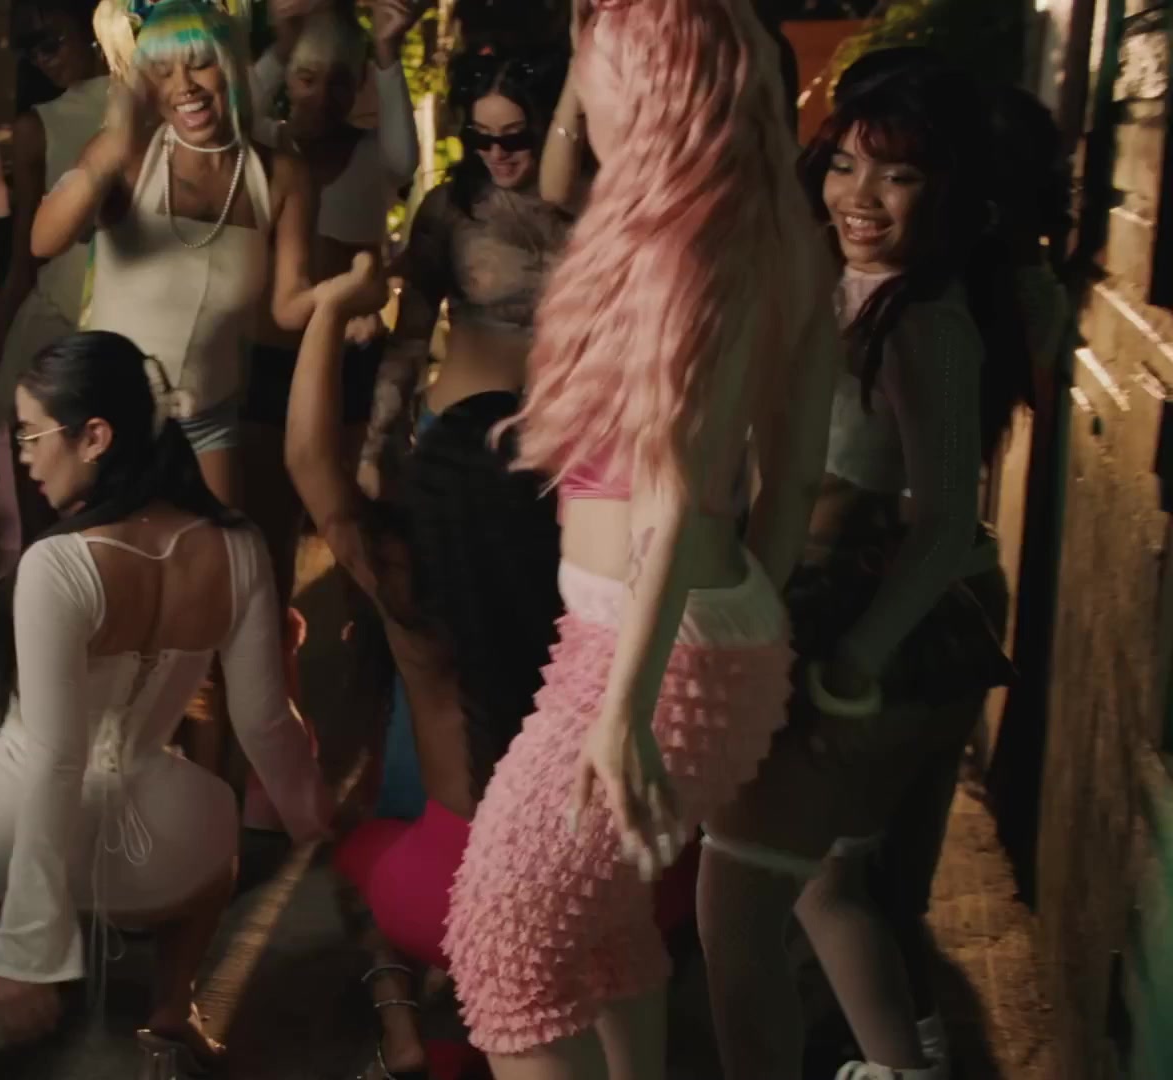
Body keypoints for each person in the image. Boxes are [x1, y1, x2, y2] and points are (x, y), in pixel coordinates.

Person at [438, 0, 841, 1076]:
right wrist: (741, 616)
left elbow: (675, 497)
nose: (586, 105)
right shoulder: (770, 235)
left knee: (506, 952)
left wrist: (628, 707)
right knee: (602, 939)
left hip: (648, 656)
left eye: (597, 77)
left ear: (648, 89)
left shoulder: (683, 255)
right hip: (699, 634)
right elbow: (792, 478)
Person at [0, 331, 334, 1073]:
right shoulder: (238, 547)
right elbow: (266, 724)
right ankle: (173, 1010)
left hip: (13, 825)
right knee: (217, 836)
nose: (24, 457)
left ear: (96, 437)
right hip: (160, 854)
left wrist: (30, 947)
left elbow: (55, 760)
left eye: (32, 434)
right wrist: (312, 821)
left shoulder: (59, 562)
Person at [698, 63, 1031, 1080]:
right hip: (820, 609)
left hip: (854, 628)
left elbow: (945, 520)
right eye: (845, 165)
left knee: (746, 910)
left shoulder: (925, 322)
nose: (861, 197)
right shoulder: (845, 283)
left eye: (899, 176)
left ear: (948, 190)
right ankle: (904, 1063)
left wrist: (856, 660)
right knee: (831, 888)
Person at [286, 254, 562, 1080]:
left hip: (441, 887)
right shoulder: (576, 587)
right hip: (555, 883)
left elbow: (309, 461)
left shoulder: (405, 589)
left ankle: (403, 1028)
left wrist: (331, 309)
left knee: (360, 855)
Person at [33, 0, 315, 510]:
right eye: (162, 72)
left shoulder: (281, 177)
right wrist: (115, 141)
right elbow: (44, 241)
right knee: (116, 554)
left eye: (200, 64)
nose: (184, 86)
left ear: (230, 65)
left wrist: (343, 301)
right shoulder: (126, 156)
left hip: (209, 415)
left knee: (217, 550)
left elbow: (288, 306)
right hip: (108, 416)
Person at [242, 0, 422, 602]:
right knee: (265, 534)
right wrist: (280, 43)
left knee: (352, 531)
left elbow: (405, 159)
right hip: (268, 361)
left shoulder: (373, 155)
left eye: (341, 81)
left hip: (347, 365)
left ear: (359, 84)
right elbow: (237, 110)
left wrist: (389, 52)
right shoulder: (262, 150)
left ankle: (367, 648)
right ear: (287, 78)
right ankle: (274, 652)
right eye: (307, 77)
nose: (322, 96)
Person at [360, 48, 572, 501]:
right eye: (481, 137)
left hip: (561, 443)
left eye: (515, 138)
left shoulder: (586, 207)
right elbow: (410, 337)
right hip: (460, 441)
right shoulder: (451, 209)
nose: (496, 153)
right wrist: (375, 445)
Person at [0, 0, 110, 546]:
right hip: (50, 333)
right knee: (43, 540)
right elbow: (22, 266)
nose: (44, 60)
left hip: (120, 333)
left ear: (90, 25)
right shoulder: (38, 127)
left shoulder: (151, 100)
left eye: (51, 41)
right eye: (30, 51)